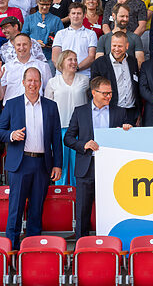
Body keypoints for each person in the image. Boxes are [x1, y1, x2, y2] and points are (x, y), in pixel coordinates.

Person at [0, 67, 62, 249]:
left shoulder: (51, 106)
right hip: (20, 164)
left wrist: (57, 165)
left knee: (36, 210)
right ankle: (11, 251)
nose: (33, 84)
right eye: (29, 81)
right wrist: (12, 135)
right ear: (23, 82)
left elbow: (56, 138)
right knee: (15, 210)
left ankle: (32, 250)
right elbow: (0, 131)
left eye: (36, 81)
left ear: (41, 83)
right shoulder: (12, 104)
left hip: (42, 164)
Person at [64, 76, 131, 239]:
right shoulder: (80, 112)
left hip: (110, 169)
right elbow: (68, 138)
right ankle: (81, 249)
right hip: (86, 167)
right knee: (82, 212)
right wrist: (84, 145)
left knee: (111, 210)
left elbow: (126, 140)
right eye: (105, 93)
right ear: (93, 93)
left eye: (110, 93)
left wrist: (128, 129)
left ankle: (112, 246)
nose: (109, 96)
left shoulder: (119, 112)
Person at [45, 50, 89, 186]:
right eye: (70, 59)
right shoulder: (53, 82)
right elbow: (47, 108)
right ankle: (61, 197)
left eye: (75, 59)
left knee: (78, 166)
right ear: (61, 62)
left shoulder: (85, 80)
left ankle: (78, 197)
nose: (74, 62)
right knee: (60, 166)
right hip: (60, 129)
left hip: (79, 130)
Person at [91, 32, 141, 126]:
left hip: (131, 112)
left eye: (120, 46)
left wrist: (138, 112)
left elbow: (136, 87)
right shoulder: (99, 64)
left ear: (127, 46)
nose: (116, 49)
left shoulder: (133, 61)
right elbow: (94, 91)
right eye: (114, 45)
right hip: (110, 112)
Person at [0, 33, 52, 103]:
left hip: (35, 109)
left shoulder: (43, 66)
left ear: (30, 45)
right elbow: (0, 96)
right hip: (11, 110)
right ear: (14, 46)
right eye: (18, 45)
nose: (21, 48)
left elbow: (48, 93)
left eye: (25, 44)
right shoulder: (6, 68)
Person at [52, 3, 98, 77]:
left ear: (84, 16)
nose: (76, 16)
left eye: (79, 13)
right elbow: (55, 57)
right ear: (69, 16)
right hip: (62, 76)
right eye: (73, 13)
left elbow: (91, 57)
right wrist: (65, 71)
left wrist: (76, 68)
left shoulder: (91, 34)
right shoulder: (60, 33)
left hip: (83, 76)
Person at [96, 3, 145, 68]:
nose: (125, 19)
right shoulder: (103, 39)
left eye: (127, 16)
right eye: (122, 16)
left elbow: (140, 63)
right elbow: (99, 63)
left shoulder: (135, 38)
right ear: (113, 16)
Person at [23, 0, 64, 64]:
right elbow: (23, 37)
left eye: (47, 4)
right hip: (32, 57)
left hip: (50, 57)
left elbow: (62, 39)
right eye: (42, 4)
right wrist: (34, 42)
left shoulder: (57, 20)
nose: (44, 7)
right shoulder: (29, 19)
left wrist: (52, 42)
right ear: (37, 2)